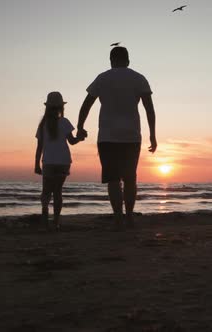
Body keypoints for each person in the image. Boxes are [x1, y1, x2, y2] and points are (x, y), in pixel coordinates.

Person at [76, 47, 157, 230]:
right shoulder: (139, 78)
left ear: (111, 60)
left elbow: (86, 104)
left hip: (107, 136)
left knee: (113, 179)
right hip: (131, 136)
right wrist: (153, 134)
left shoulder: (102, 78)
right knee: (130, 179)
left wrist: (80, 126)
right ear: (128, 60)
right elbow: (149, 109)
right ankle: (129, 217)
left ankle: (118, 219)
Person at [35, 91, 85, 231]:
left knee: (46, 192)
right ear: (61, 108)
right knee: (57, 192)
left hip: (49, 162)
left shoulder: (43, 125)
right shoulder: (64, 122)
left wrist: (36, 164)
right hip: (63, 161)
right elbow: (72, 141)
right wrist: (80, 138)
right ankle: (56, 221)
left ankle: (45, 217)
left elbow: (39, 147)